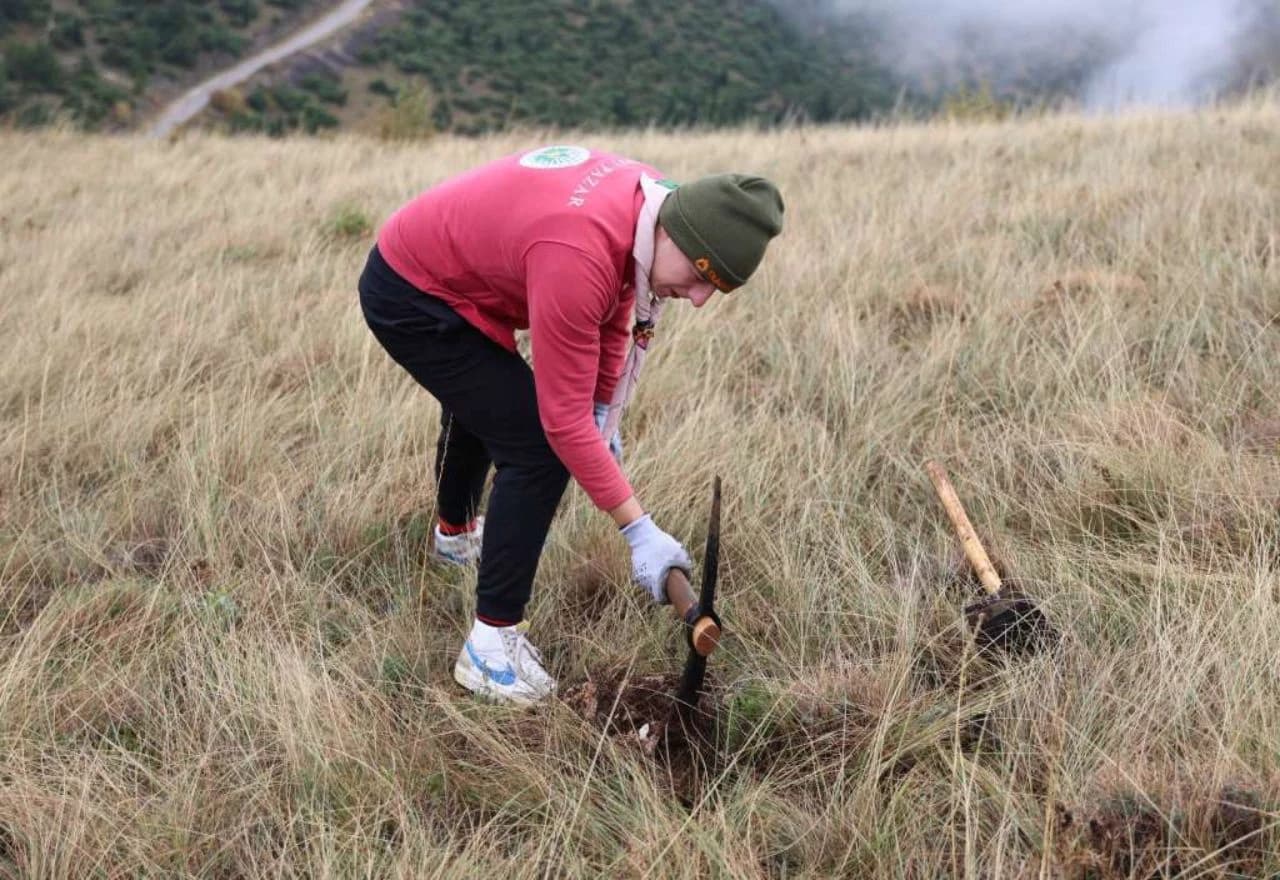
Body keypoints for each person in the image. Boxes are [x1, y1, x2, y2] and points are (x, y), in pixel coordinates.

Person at [358, 144, 783, 705]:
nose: (700, 300)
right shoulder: (577, 250)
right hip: (412, 294)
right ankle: (490, 648)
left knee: (491, 405)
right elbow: (561, 422)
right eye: (702, 275)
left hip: (449, 273)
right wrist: (639, 532)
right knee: (534, 446)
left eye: (719, 288)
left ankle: (455, 538)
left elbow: (614, 308)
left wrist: (604, 408)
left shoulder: (653, 205)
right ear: (677, 235)